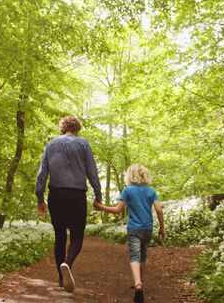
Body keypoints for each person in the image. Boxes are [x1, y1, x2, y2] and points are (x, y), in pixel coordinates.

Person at [35, 116, 102, 293]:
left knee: (59, 236)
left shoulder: (51, 144)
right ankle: (68, 264)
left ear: (63, 127)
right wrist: (98, 195)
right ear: (77, 128)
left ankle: (60, 278)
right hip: (77, 195)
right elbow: (92, 171)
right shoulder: (83, 144)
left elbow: (42, 174)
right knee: (77, 236)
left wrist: (40, 198)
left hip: (56, 195)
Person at [94, 164, 165, 303]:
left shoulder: (128, 190)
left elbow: (117, 210)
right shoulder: (151, 191)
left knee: (134, 256)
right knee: (143, 256)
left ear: (130, 175)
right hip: (148, 229)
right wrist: (162, 228)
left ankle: (138, 284)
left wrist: (101, 207)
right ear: (145, 175)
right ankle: (140, 282)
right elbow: (159, 210)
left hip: (133, 229)